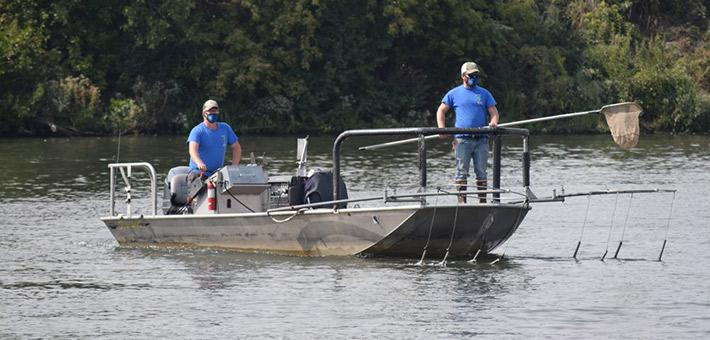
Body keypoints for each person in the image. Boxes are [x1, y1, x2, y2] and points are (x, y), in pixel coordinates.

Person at [436, 62, 499, 203]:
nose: (474, 78)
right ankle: (462, 202)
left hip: (481, 139)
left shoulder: (484, 93)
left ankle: (482, 202)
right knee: (461, 171)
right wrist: (441, 128)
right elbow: (441, 110)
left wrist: (493, 122)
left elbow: (493, 112)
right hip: (462, 140)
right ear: (463, 76)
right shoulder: (454, 93)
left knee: (481, 171)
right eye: (471, 75)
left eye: (476, 75)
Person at [187, 99, 242, 177]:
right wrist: (199, 163)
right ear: (204, 113)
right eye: (210, 111)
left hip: (217, 174)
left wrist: (234, 167)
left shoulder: (225, 128)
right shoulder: (197, 130)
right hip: (198, 173)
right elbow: (192, 151)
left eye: (215, 111)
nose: (213, 113)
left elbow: (236, 148)